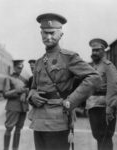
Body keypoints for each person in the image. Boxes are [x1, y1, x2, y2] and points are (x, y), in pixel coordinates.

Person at [27, 13, 101, 150]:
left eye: (52, 33)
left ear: (60, 34)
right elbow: (33, 87)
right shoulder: (38, 62)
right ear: (40, 33)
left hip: (58, 119)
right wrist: (32, 96)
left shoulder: (69, 57)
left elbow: (94, 77)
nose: (48, 37)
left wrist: (71, 101)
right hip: (39, 120)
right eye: (44, 33)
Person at [86, 38, 117, 150]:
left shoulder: (108, 66)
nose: (94, 53)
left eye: (97, 50)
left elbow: (113, 88)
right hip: (93, 106)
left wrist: (110, 108)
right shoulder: (93, 67)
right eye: (93, 50)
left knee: (105, 138)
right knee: (98, 137)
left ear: (103, 51)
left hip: (104, 107)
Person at [3, 60, 29, 150]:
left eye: (21, 68)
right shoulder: (9, 78)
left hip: (23, 107)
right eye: (18, 67)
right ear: (14, 67)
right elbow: (5, 94)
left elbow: (28, 90)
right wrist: (17, 91)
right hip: (13, 107)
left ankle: (15, 148)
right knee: (9, 128)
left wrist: (25, 93)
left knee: (18, 130)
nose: (20, 69)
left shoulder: (25, 79)